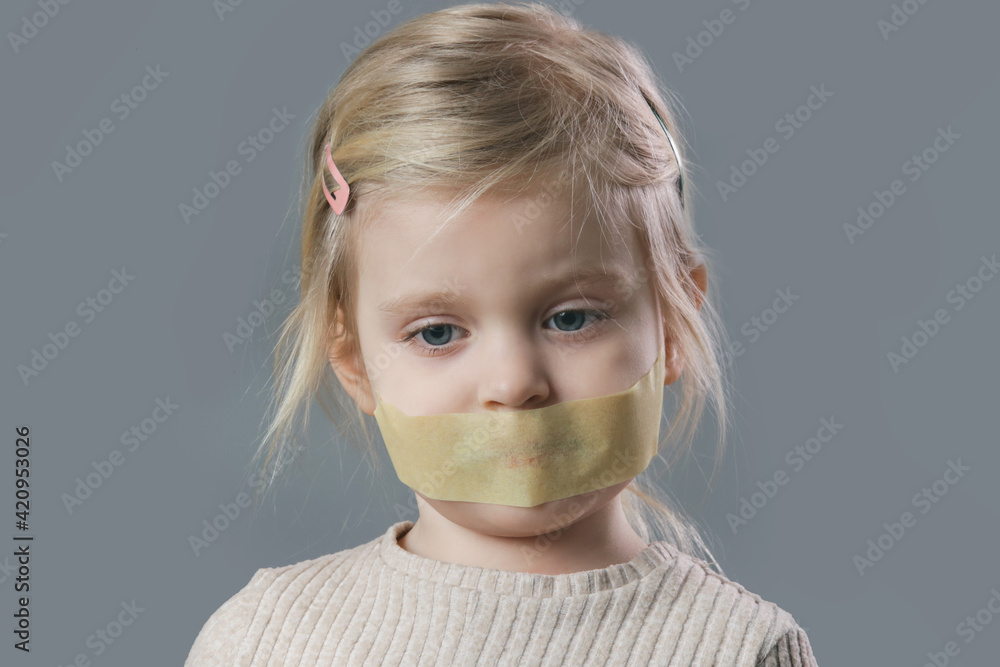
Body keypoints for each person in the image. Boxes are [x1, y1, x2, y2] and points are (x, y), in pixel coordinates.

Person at [185, 3, 818, 665]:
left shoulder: (740, 650)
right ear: (353, 363)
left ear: (673, 324)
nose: (514, 383)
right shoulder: (266, 639)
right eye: (437, 332)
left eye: (572, 318)